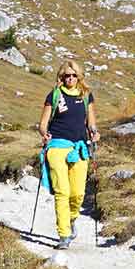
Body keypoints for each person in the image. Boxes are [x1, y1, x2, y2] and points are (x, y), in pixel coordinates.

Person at [36, 59, 99, 249]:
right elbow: (42, 124)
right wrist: (44, 134)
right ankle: (63, 235)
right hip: (57, 146)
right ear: (61, 77)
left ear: (79, 76)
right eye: (66, 76)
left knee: (78, 193)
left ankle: (71, 219)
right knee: (62, 191)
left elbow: (91, 122)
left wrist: (94, 132)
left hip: (79, 148)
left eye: (73, 75)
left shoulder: (86, 95)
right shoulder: (54, 95)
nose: (70, 78)